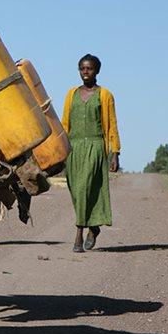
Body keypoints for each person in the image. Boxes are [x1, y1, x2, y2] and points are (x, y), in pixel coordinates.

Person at [61, 54, 120, 252]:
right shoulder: (71, 94)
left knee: (86, 187)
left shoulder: (105, 95)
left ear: (97, 71)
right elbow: (65, 124)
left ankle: (79, 233)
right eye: (82, 69)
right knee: (77, 191)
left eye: (89, 69)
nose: (85, 72)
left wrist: (115, 152)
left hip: (95, 147)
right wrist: (60, 149)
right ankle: (94, 227)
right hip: (74, 148)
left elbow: (112, 125)